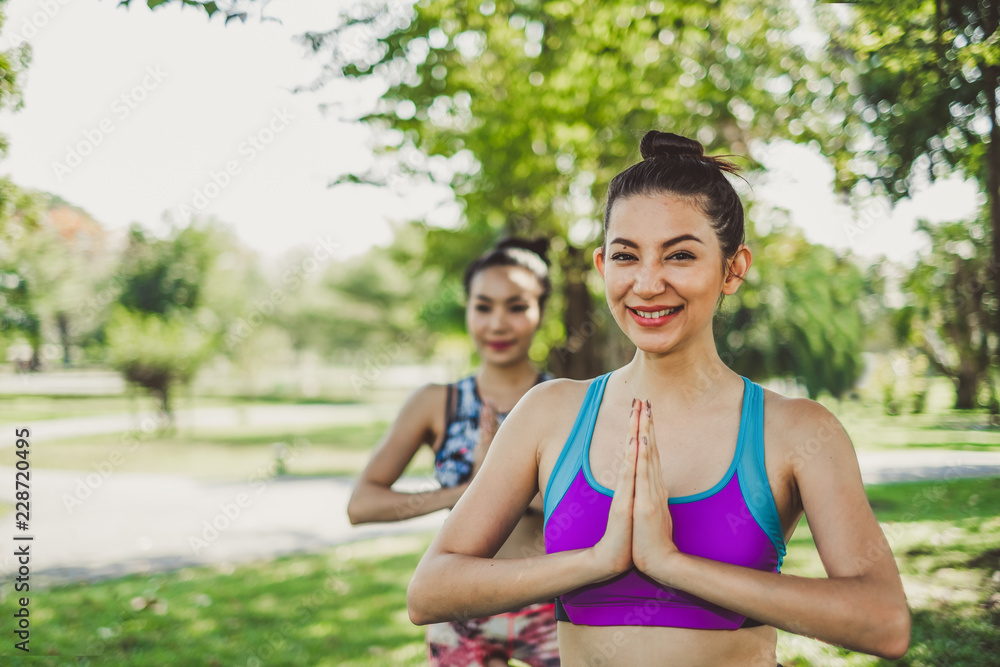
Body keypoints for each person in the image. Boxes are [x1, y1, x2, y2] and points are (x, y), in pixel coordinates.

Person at [406, 131, 911, 666]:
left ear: (733, 269)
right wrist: (598, 560)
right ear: (604, 267)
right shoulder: (549, 413)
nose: (647, 284)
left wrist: (670, 563)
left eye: (680, 256)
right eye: (627, 256)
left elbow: (882, 622)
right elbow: (431, 590)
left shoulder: (797, 430)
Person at [347, 238, 561, 667]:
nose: (497, 323)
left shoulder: (570, 400)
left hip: (551, 603)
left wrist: (510, 484)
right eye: (483, 306)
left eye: (517, 307)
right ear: (467, 310)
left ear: (540, 312)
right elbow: (362, 505)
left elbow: (600, 511)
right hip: (462, 601)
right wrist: (467, 490)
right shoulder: (435, 402)